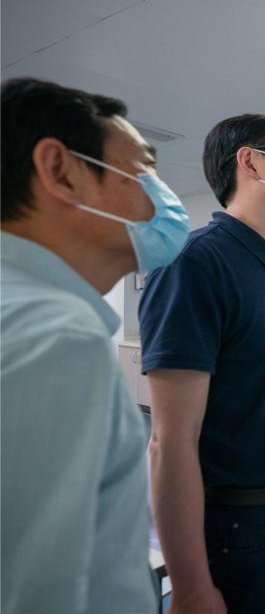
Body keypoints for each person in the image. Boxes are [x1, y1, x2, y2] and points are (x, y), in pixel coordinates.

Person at [1, 77, 189, 612]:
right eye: (144, 170)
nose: (162, 194)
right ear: (60, 170)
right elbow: (37, 593)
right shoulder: (55, 338)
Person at [139, 114, 265, 614]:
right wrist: (190, 585)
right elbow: (170, 442)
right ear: (250, 161)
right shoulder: (196, 263)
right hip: (244, 529)